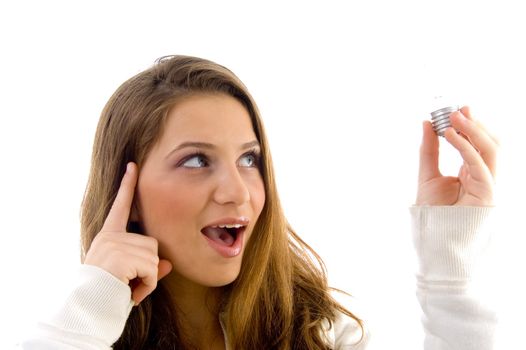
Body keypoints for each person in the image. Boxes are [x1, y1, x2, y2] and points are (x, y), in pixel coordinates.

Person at [20, 55, 498, 349]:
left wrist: (449, 272)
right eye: (195, 161)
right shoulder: (87, 335)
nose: (238, 191)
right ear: (130, 193)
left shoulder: (319, 334)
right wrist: (90, 308)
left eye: (249, 160)